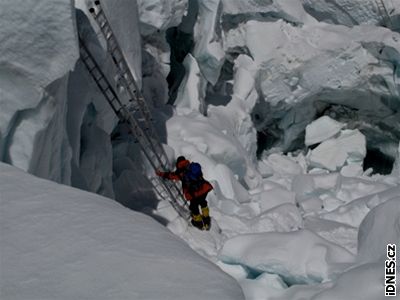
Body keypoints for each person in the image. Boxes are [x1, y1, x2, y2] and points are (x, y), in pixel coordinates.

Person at [156, 156, 213, 230]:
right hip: (204, 189)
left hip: (194, 194)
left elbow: (171, 176)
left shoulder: (181, 172)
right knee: (203, 202)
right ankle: (206, 219)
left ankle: (198, 223)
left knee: (194, 207)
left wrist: (161, 174)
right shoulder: (191, 166)